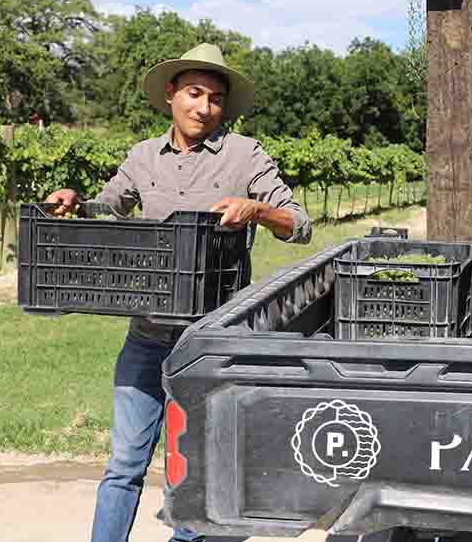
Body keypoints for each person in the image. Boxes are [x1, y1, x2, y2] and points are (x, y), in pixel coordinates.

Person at [44, 43, 313, 542]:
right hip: (146, 336)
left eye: (214, 98)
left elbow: (298, 223)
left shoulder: (245, 155)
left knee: (193, 474)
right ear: (171, 94)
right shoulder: (143, 157)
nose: (203, 107)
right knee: (123, 464)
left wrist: (255, 210)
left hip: (210, 348)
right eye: (193, 93)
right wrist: (75, 202)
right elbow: (110, 207)